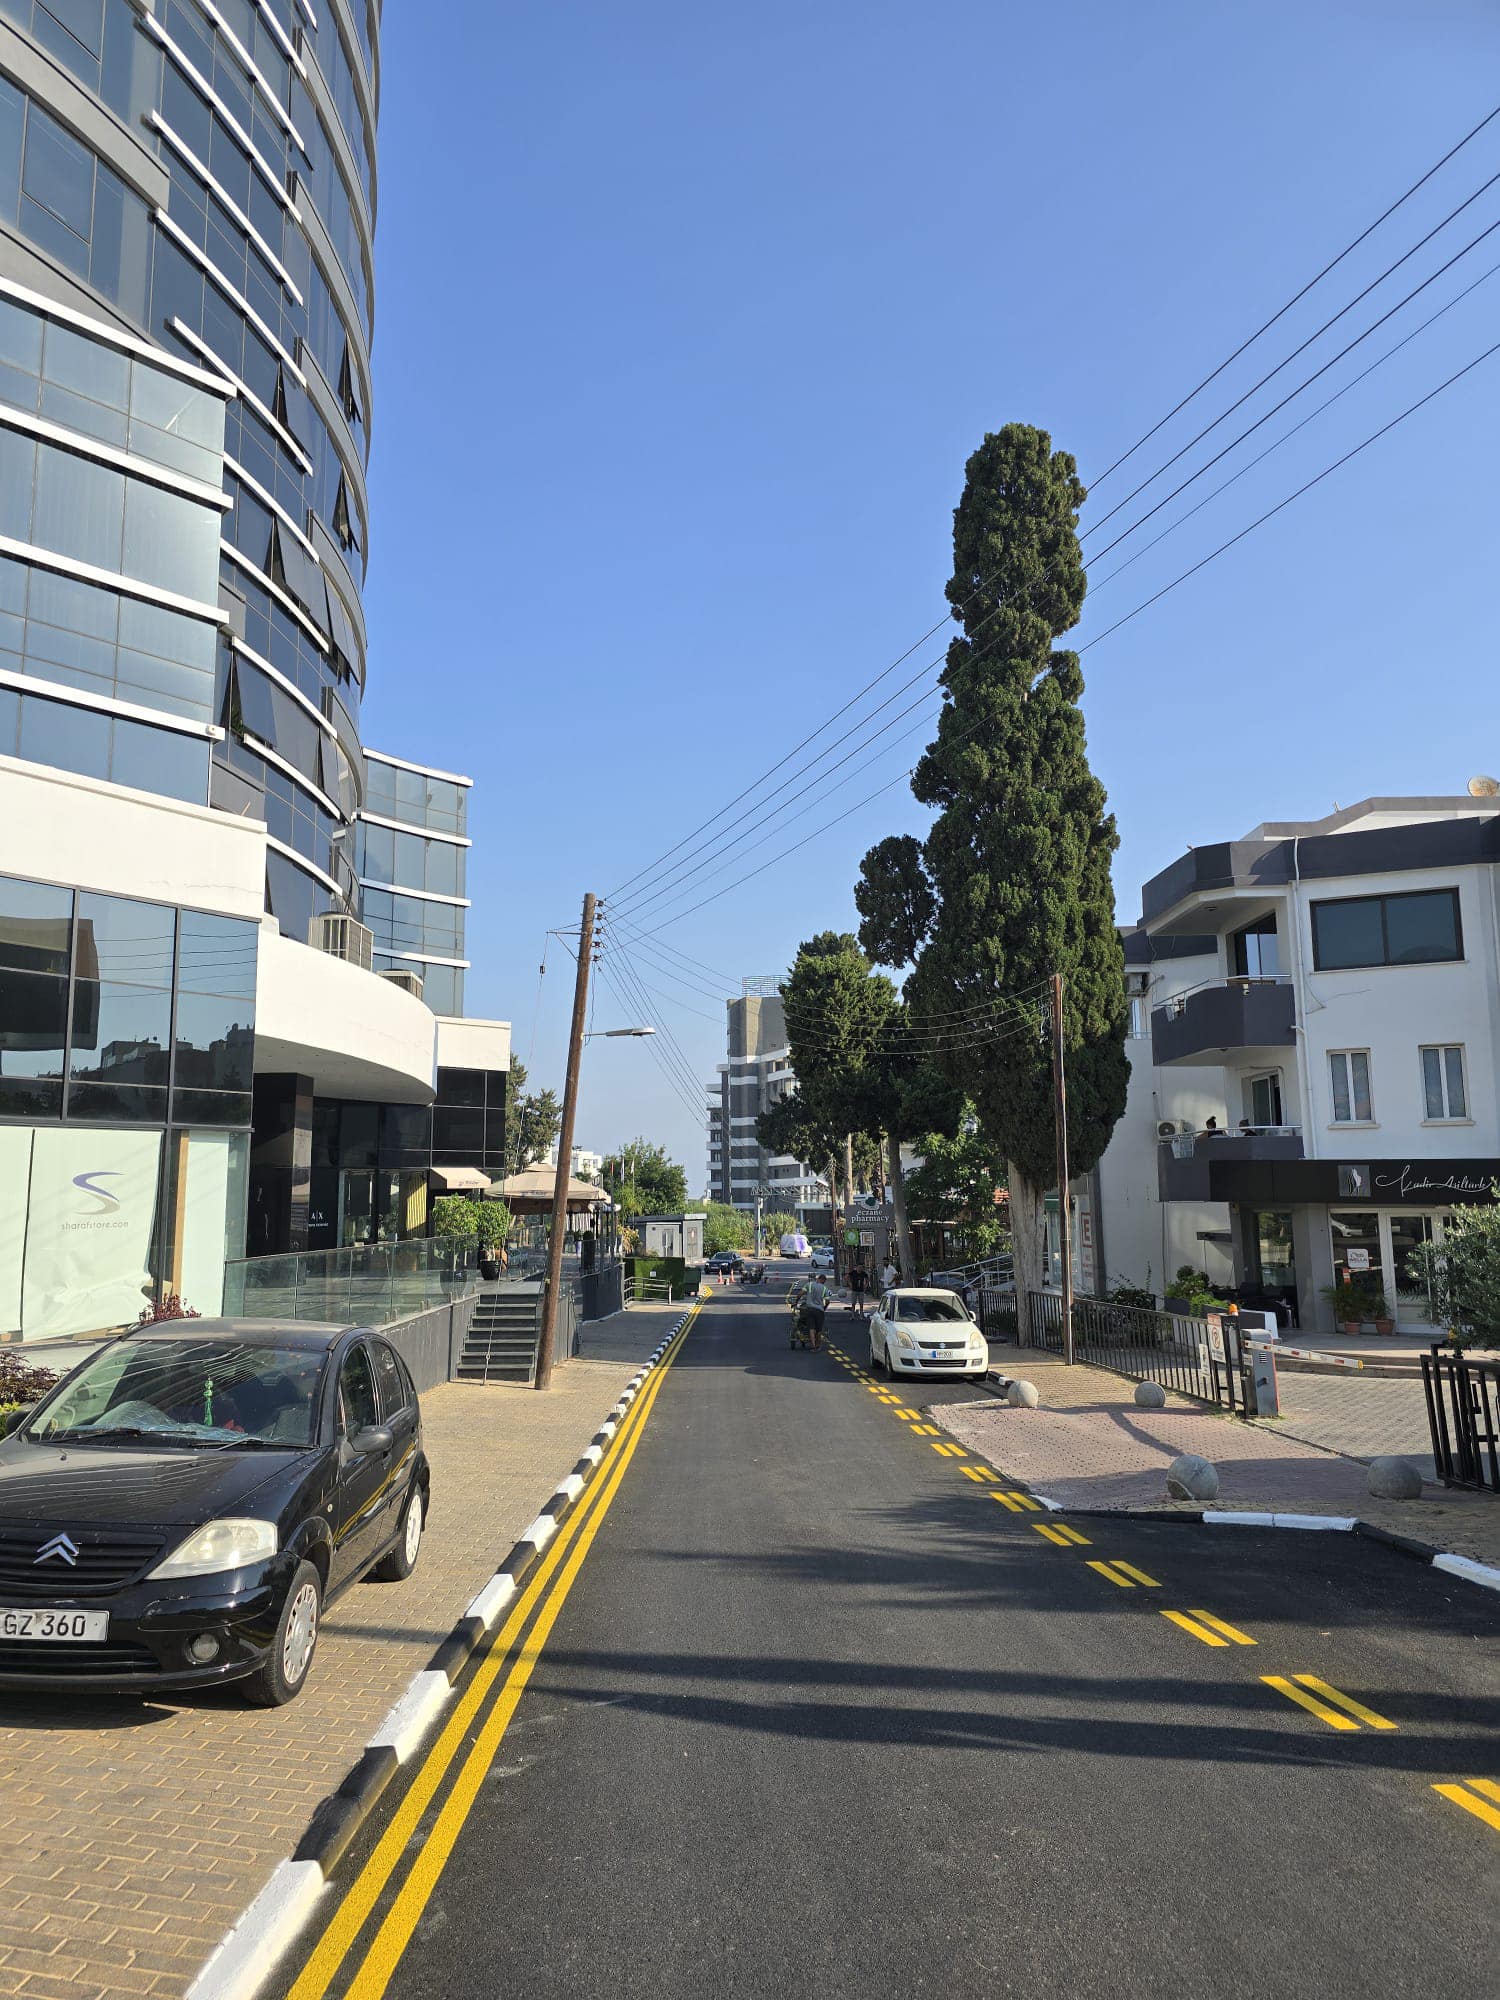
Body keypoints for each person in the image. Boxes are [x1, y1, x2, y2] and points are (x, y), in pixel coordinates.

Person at [801, 1274, 832, 1349]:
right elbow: (827, 1301)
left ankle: (813, 1345)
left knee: (811, 1328)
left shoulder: (809, 1285)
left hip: (810, 1309)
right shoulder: (825, 1288)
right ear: (823, 1280)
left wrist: (796, 1301)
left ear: (818, 1279)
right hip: (819, 1310)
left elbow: (800, 1293)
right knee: (819, 1329)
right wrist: (824, 1308)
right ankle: (818, 1345)